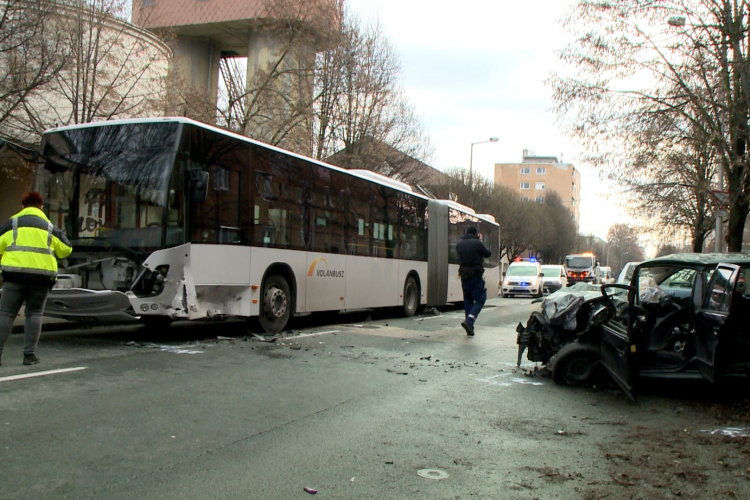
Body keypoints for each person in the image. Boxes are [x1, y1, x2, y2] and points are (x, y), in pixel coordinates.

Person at [0, 192, 72, 366]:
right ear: (41, 207)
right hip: (41, 278)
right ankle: (29, 355)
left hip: (14, 275)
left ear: (23, 206)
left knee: (6, 314)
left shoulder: (12, 224)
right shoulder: (50, 227)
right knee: (34, 314)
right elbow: (66, 249)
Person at [456, 226, 491, 337]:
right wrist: (480, 240)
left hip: (463, 275)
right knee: (481, 298)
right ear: (476, 234)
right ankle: (470, 321)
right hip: (475, 275)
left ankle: (469, 327)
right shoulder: (477, 243)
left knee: (468, 300)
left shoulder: (459, 244)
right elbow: (487, 253)